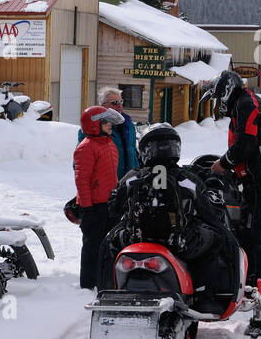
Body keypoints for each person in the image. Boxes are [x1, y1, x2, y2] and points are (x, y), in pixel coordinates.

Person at [100, 124, 244, 316]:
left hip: (135, 239)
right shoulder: (187, 179)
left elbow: (113, 208)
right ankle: (205, 296)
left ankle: (107, 289)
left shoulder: (132, 177)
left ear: (145, 150)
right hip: (179, 242)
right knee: (215, 239)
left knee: (109, 243)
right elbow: (211, 213)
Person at [209, 69, 261, 323]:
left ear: (227, 92)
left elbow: (246, 144)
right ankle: (250, 278)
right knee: (245, 228)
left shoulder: (246, 103)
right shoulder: (240, 106)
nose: (217, 104)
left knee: (258, 235)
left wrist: (224, 162)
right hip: (256, 176)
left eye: (217, 98)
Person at [74, 104, 124, 289]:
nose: (110, 125)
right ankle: (87, 285)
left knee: (109, 245)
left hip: (109, 204)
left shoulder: (108, 144)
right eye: (106, 122)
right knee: (92, 248)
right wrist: (86, 209)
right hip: (93, 206)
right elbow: (82, 181)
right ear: (95, 125)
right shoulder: (86, 148)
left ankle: (105, 282)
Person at [78, 88, 138, 179]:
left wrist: (136, 172)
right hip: (104, 185)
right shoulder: (92, 127)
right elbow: (81, 163)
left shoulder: (129, 125)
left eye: (121, 101)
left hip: (128, 183)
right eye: (114, 103)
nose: (119, 106)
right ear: (103, 106)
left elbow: (132, 151)